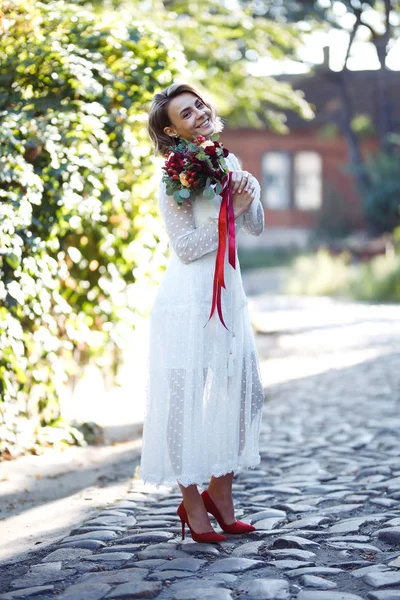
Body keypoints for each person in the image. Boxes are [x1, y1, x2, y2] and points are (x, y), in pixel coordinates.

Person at [140, 82, 265, 543]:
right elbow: (188, 248)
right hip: (187, 300)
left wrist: (249, 197)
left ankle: (220, 493)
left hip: (230, 295)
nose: (198, 114)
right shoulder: (172, 177)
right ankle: (193, 505)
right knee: (183, 403)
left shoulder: (228, 161)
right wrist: (227, 211)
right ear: (173, 131)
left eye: (199, 106)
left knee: (247, 395)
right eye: (185, 114)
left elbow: (254, 226)